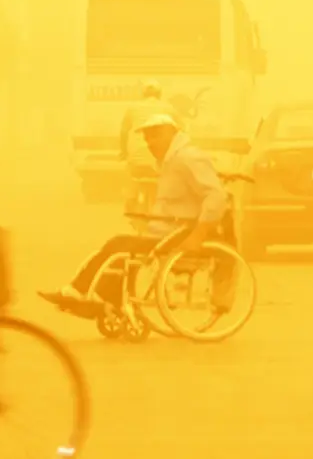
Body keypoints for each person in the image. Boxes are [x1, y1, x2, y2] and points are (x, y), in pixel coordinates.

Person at [40, 113, 234, 317]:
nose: (149, 143)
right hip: (167, 231)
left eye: (155, 136)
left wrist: (199, 234)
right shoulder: (173, 160)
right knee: (119, 247)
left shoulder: (188, 158)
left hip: (179, 234)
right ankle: (95, 296)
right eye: (147, 138)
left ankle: (84, 294)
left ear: (171, 133)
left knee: (119, 245)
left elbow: (216, 196)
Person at [118, 81, 181, 211]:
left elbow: (124, 131)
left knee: (129, 175)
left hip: (137, 162)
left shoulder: (132, 108)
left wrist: (123, 151)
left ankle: (130, 200)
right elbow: (181, 130)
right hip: (161, 163)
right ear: (159, 94)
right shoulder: (168, 108)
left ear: (143, 94)